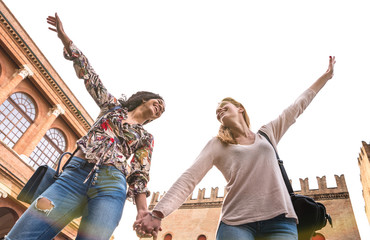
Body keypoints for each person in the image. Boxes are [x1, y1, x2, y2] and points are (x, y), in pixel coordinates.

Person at [134, 56, 336, 240]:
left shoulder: (267, 134)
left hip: (280, 221)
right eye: (217, 111)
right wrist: (158, 213)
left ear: (240, 109)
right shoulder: (217, 145)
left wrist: (325, 77)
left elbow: (297, 106)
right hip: (236, 224)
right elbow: (189, 178)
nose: (219, 110)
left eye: (225, 106)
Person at [6, 13, 165, 240]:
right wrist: (65, 39)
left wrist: (142, 210)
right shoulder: (112, 107)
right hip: (73, 177)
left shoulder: (145, 137)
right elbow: (90, 76)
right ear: (143, 99)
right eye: (157, 102)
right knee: (22, 234)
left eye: (162, 109)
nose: (159, 106)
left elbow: (140, 173)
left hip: (112, 186)